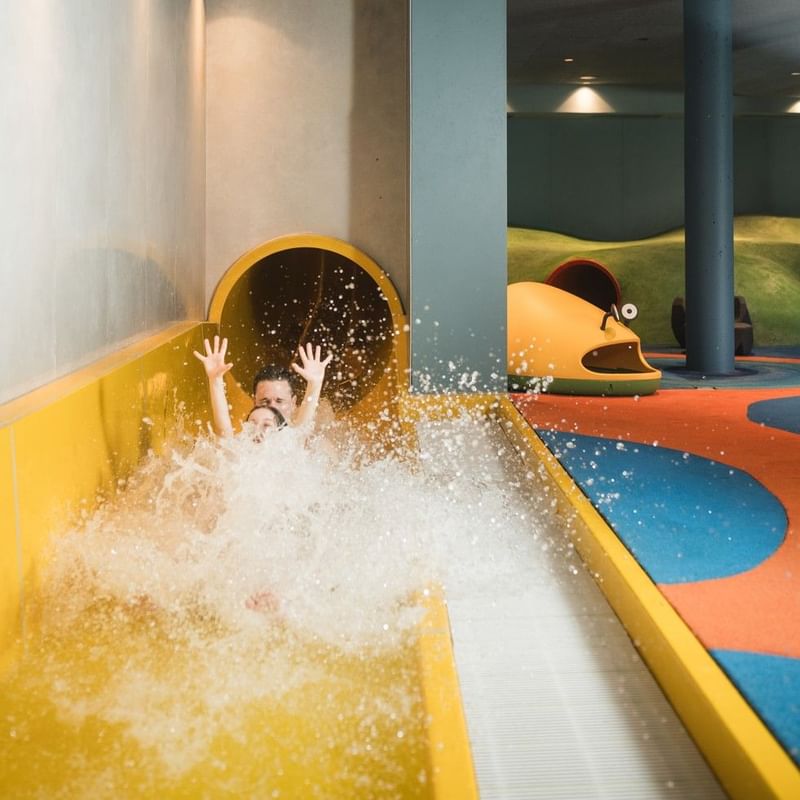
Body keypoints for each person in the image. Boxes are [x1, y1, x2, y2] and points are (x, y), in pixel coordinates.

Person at [193, 335, 332, 438]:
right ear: (254, 402)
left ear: (293, 403)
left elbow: (303, 428)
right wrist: (215, 380)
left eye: (279, 401)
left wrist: (315, 384)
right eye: (265, 401)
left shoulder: (294, 444)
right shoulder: (242, 446)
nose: (272, 407)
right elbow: (223, 432)